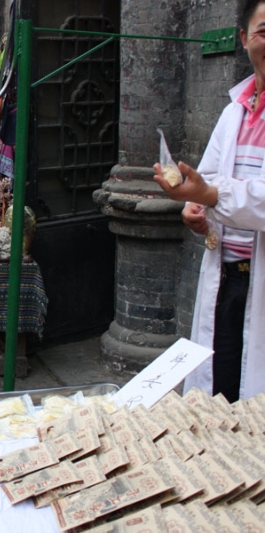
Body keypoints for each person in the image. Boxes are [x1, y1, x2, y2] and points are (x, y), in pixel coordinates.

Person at [152, 0, 265, 402]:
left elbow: (220, 190)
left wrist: (210, 195)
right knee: (222, 387)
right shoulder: (234, 112)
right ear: (244, 39)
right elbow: (209, 180)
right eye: (264, 31)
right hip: (229, 276)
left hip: (261, 280)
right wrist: (196, 211)